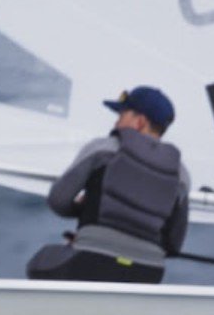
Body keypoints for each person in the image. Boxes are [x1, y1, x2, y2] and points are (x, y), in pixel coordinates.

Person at [28, 85, 189, 284]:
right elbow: (173, 243)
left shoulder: (104, 148)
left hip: (89, 263)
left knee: (40, 262)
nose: (116, 122)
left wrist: (84, 209)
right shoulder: (181, 174)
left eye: (122, 115)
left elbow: (57, 200)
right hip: (147, 274)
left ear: (140, 122)